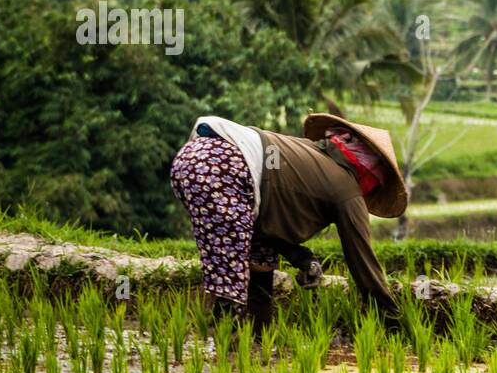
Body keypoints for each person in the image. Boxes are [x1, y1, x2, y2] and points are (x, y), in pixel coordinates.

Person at [169, 113, 406, 330]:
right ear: (371, 170)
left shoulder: (305, 154)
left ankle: (258, 339)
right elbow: (362, 261)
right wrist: (393, 321)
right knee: (231, 278)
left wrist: (302, 259)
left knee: (260, 260)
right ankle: (224, 351)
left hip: (195, 159)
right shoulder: (347, 190)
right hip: (223, 166)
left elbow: (266, 228)